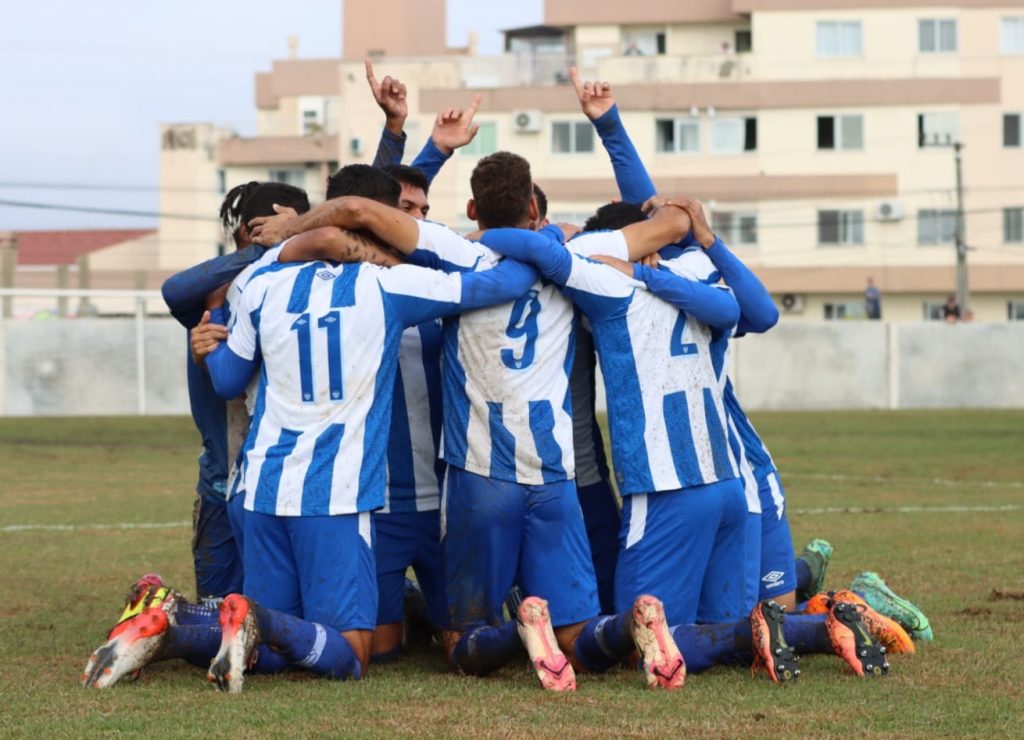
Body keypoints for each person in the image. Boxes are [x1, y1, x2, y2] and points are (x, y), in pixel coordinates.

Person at [247, 155, 695, 692]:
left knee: (461, 643)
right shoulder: (574, 252)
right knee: (578, 634)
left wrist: (289, 230)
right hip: (554, 476)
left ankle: (519, 634)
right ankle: (633, 624)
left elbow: (354, 210)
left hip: (481, 475)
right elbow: (674, 225)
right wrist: (570, 231)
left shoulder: (457, 250)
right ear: (534, 205)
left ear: (472, 208)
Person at [160, 181, 310, 602]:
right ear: (251, 230)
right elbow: (173, 290)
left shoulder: (308, 288)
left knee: (286, 606)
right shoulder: (212, 295)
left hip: (284, 478)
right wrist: (264, 249)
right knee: (219, 606)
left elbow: (366, 200)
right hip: (221, 481)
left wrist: (394, 135)